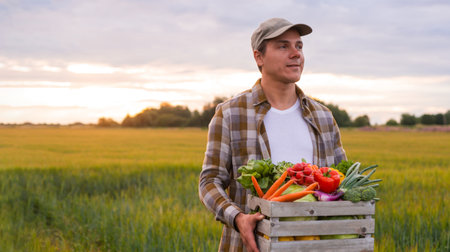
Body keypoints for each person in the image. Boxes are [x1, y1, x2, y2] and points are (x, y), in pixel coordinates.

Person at [199, 17, 347, 252]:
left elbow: (342, 181)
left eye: (299, 46)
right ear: (259, 56)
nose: (295, 53)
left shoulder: (323, 116)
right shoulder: (230, 113)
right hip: (252, 246)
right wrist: (238, 218)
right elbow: (209, 181)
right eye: (283, 46)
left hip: (315, 245)